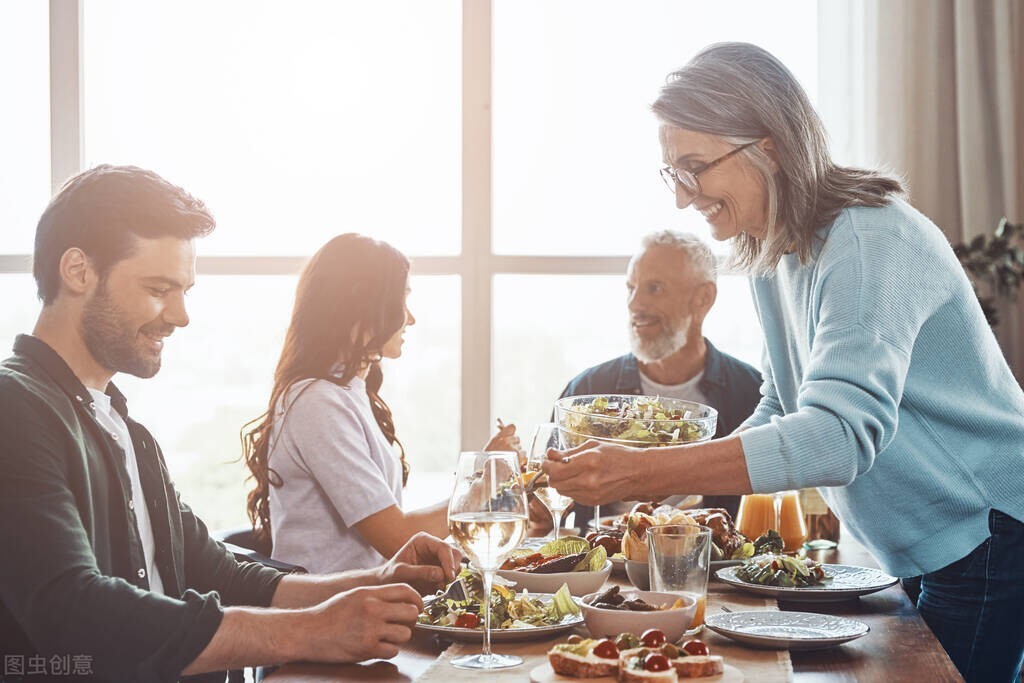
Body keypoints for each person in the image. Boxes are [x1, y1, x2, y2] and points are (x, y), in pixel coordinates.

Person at [544, 43, 1024, 682]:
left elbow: (837, 436)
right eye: (672, 174)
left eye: (695, 168)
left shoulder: (868, 238)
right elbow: (781, 404)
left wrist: (644, 470)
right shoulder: (776, 251)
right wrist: (671, 493)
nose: (684, 198)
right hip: (923, 543)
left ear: (767, 148)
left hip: (986, 529)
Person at [0, 165, 462, 682]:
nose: (180, 316)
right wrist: (312, 631)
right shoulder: (14, 407)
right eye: (158, 288)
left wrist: (375, 581)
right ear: (77, 270)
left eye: (184, 291)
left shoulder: (125, 430)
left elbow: (217, 570)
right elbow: (74, 611)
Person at [242, 233, 525, 574]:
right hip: (331, 602)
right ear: (360, 306)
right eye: (400, 302)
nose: (410, 318)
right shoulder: (317, 403)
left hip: (365, 594)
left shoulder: (348, 392)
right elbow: (398, 539)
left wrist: (485, 474)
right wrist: (486, 483)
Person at [556, 230, 761, 526]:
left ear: (703, 298)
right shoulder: (586, 391)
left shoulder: (753, 394)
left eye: (654, 288)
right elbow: (549, 512)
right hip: (605, 555)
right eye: (631, 288)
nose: (634, 304)